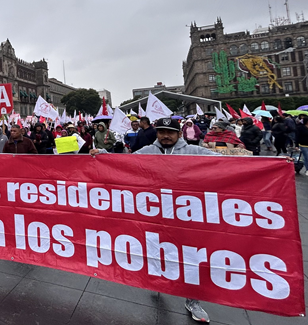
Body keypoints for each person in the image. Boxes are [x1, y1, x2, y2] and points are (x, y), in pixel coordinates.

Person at [90, 118, 218, 323]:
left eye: (170, 132)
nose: (165, 136)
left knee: (190, 257)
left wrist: (270, 163)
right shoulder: (148, 150)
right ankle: (159, 282)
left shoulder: (194, 152)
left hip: (186, 215)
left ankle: (193, 301)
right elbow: (124, 162)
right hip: (154, 213)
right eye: (161, 132)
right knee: (156, 250)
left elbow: (227, 163)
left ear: (179, 134)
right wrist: (103, 155)